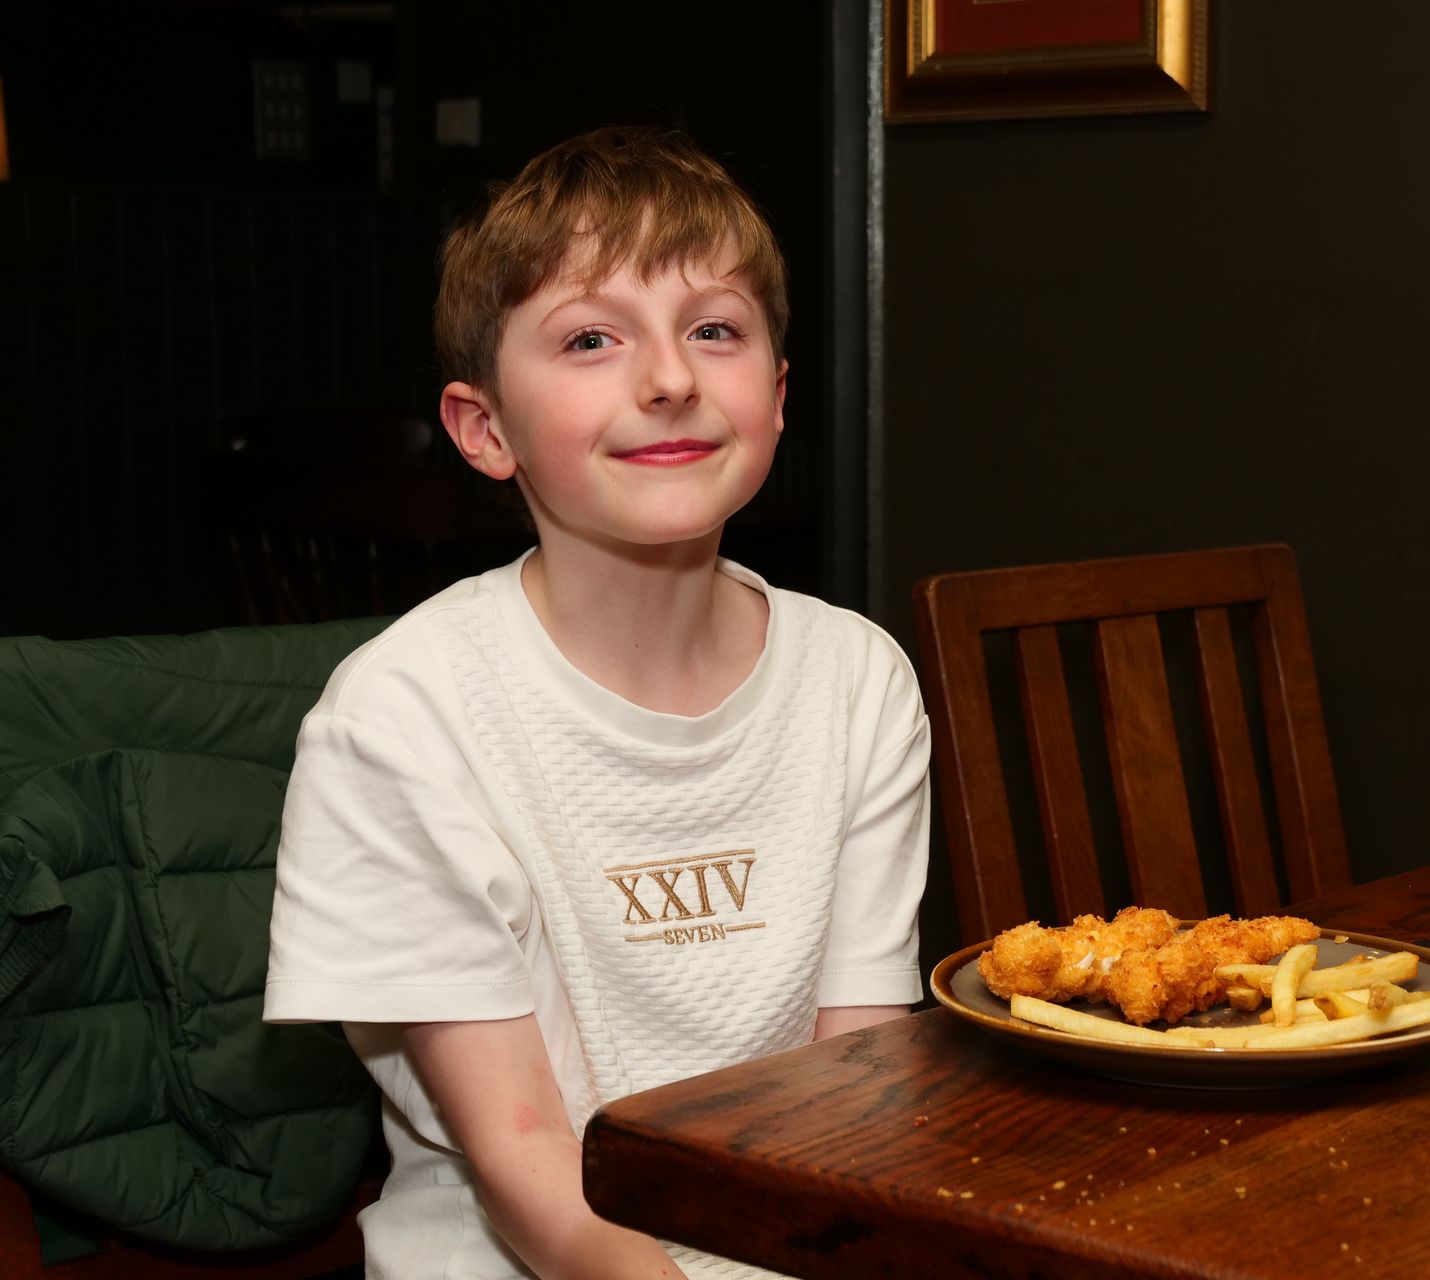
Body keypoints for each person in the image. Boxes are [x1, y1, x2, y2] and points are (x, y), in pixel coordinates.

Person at [263, 125, 931, 1280]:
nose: (669, 377)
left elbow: (858, 1099)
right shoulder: (402, 717)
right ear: (485, 430)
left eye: (713, 329)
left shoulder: (858, 679)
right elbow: (526, 1158)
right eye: (589, 338)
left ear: (774, 397)